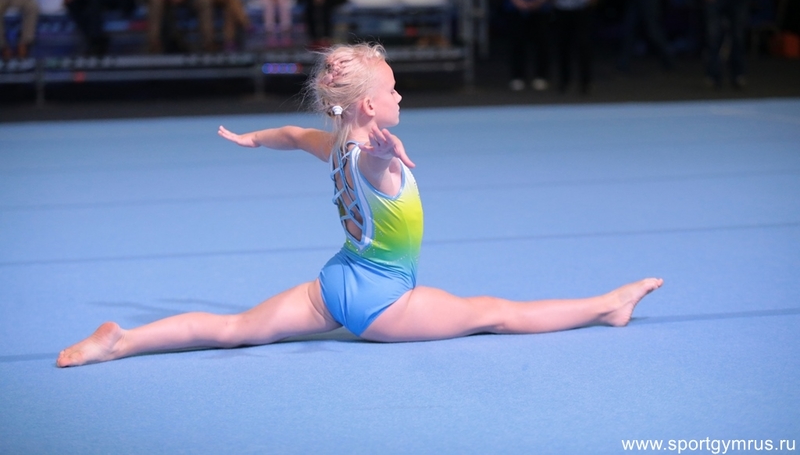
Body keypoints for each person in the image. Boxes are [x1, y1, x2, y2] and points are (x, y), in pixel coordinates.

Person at [56, 42, 664, 368]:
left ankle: (122, 341)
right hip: (383, 303)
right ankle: (606, 305)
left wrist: (253, 139)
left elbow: (292, 134)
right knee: (495, 313)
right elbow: (367, 154)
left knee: (236, 329)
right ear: (370, 106)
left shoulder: (334, 146)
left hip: (335, 284)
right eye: (393, 89)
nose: (401, 96)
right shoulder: (373, 156)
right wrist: (383, 150)